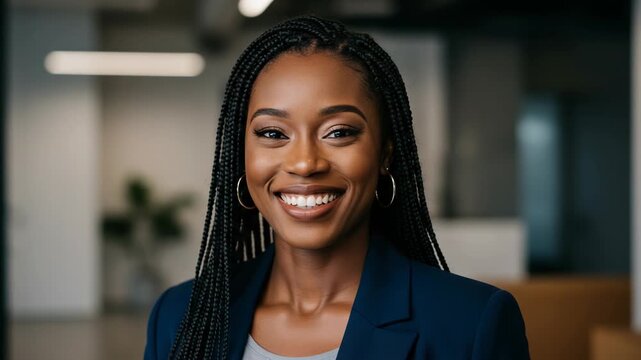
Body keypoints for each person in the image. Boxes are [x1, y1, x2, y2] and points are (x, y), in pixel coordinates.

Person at [144, 16, 530, 360]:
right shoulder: (180, 315)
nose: (305, 162)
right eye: (273, 133)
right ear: (241, 158)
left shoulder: (471, 324)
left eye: (339, 132)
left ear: (384, 154)